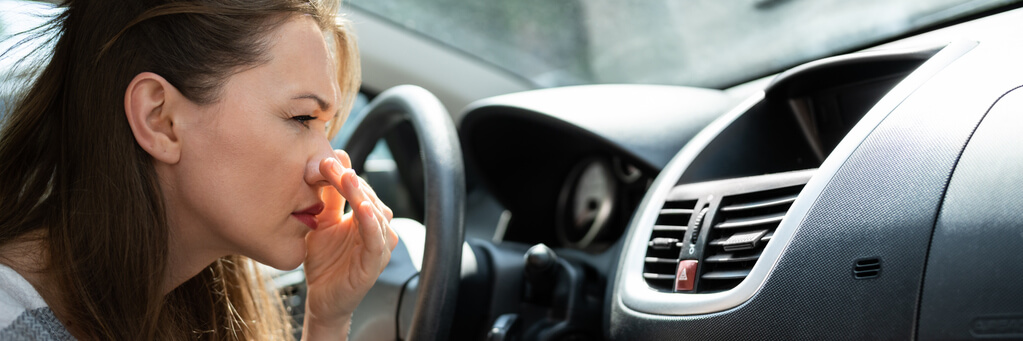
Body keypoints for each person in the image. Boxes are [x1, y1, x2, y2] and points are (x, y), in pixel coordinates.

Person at [0, 0, 398, 339]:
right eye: (301, 118)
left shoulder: (190, 303)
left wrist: (327, 320)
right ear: (160, 119)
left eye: (326, 129)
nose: (329, 165)